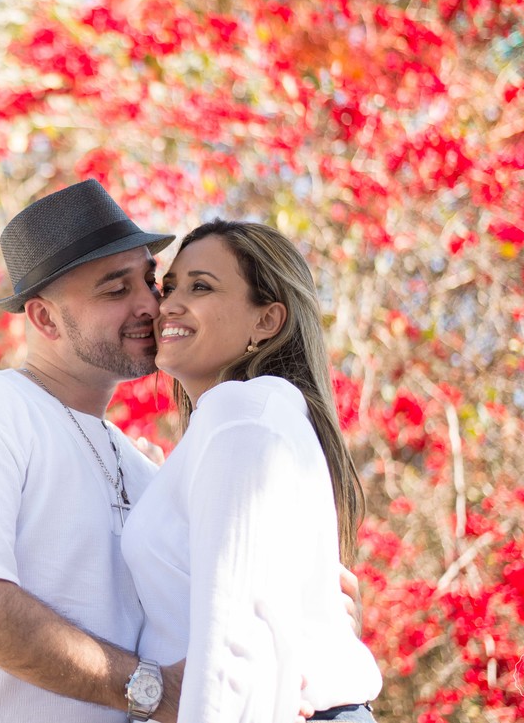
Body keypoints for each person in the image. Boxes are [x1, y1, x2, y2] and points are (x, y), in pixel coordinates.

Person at [0, 178, 184, 722]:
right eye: (115, 290)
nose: (150, 303)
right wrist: (155, 692)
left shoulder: (144, 467)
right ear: (44, 318)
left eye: (150, 279)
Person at [121, 220, 383, 722]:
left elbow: (236, 635)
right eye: (169, 286)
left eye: (201, 286)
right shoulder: (249, 419)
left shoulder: (241, 413)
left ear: (267, 321)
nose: (168, 305)